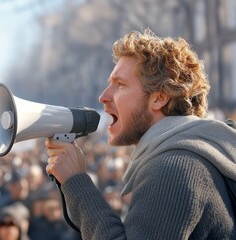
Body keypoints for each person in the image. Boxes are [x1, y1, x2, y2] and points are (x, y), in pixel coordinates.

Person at [45, 29, 236, 239]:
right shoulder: (190, 155)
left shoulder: (174, 167)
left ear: (159, 99)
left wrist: (76, 181)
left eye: (120, 85)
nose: (103, 96)